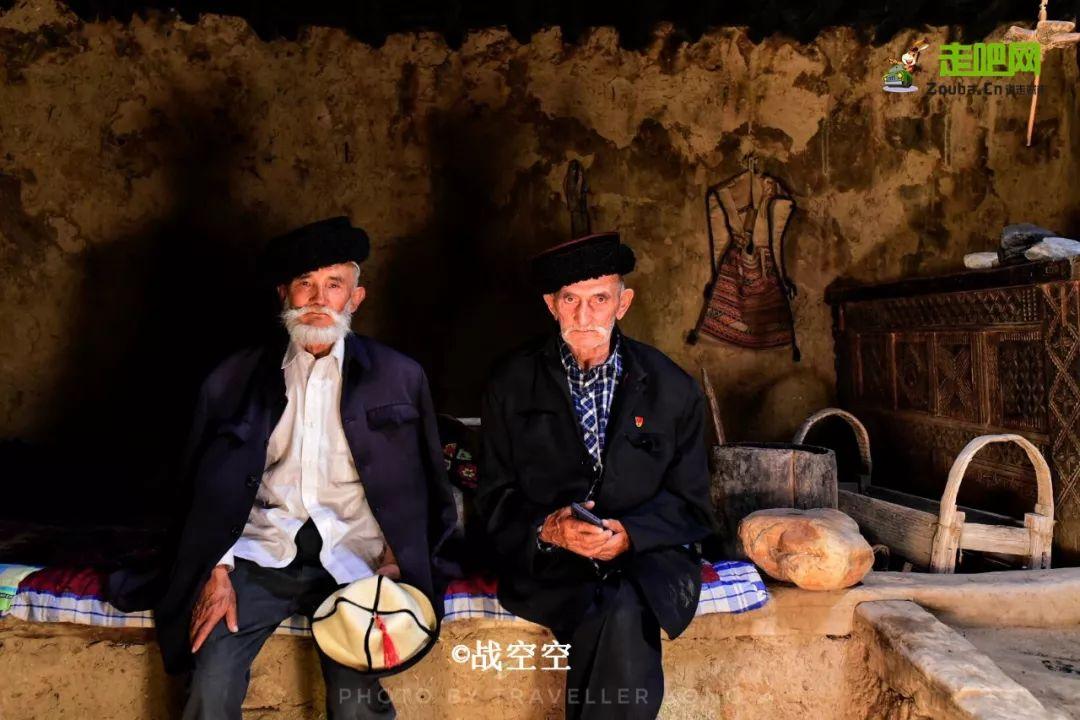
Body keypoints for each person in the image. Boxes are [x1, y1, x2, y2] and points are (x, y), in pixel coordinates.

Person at [152, 216, 457, 720]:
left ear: (355, 298)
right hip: (259, 553)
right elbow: (203, 489)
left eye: (334, 285)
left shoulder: (399, 376)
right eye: (305, 284)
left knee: (355, 699)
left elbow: (422, 483)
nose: (318, 298)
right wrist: (216, 570)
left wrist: (395, 561)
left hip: (355, 557)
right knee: (211, 679)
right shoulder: (233, 378)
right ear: (284, 295)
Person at [476, 231, 717, 720]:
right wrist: (549, 529)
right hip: (550, 562)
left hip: (648, 558)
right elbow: (494, 498)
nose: (585, 316)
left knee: (624, 602)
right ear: (551, 305)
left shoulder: (672, 389)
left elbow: (692, 504)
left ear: (623, 304)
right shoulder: (511, 383)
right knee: (615, 610)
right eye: (571, 300)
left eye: (600, 299)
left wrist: (631, 535)